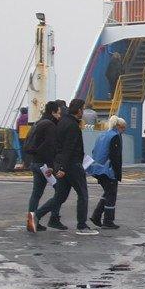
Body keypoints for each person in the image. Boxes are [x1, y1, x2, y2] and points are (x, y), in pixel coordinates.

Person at [33, 98, 96, 235]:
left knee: (60, 196)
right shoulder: (73, 126)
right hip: (72, 166)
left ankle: (36, 215)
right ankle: (82, 225)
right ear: (79, 110)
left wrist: (57, 166)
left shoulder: (61, 123)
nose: (83, 112)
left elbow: (57, 147)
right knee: (83, 194)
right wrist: (62, 168)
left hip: (62, 165)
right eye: (82, 109)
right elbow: (69, 148)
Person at [24, 100, 62, 232]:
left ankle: (31, 223)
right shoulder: (50, 125)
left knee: (36, 194)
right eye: (58, 113)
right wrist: (52, 166)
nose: (59, 116)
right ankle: (47, 218)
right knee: (60, 192)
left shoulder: (38, 123)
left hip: (35, 162)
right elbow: (50, 147)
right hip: (45, 166)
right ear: (53, 112)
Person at [88, 116, 125, 229]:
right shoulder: (115, 136)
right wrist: (117, 173)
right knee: (111, 195)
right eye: (123, 128)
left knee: (108, 193)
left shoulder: (101, 135)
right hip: (108, 171)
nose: (124, 130)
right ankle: (108, 221)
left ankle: (96, 216)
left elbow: (94, 151)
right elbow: (115, 157)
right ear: (118, 126)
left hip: (97, 169)